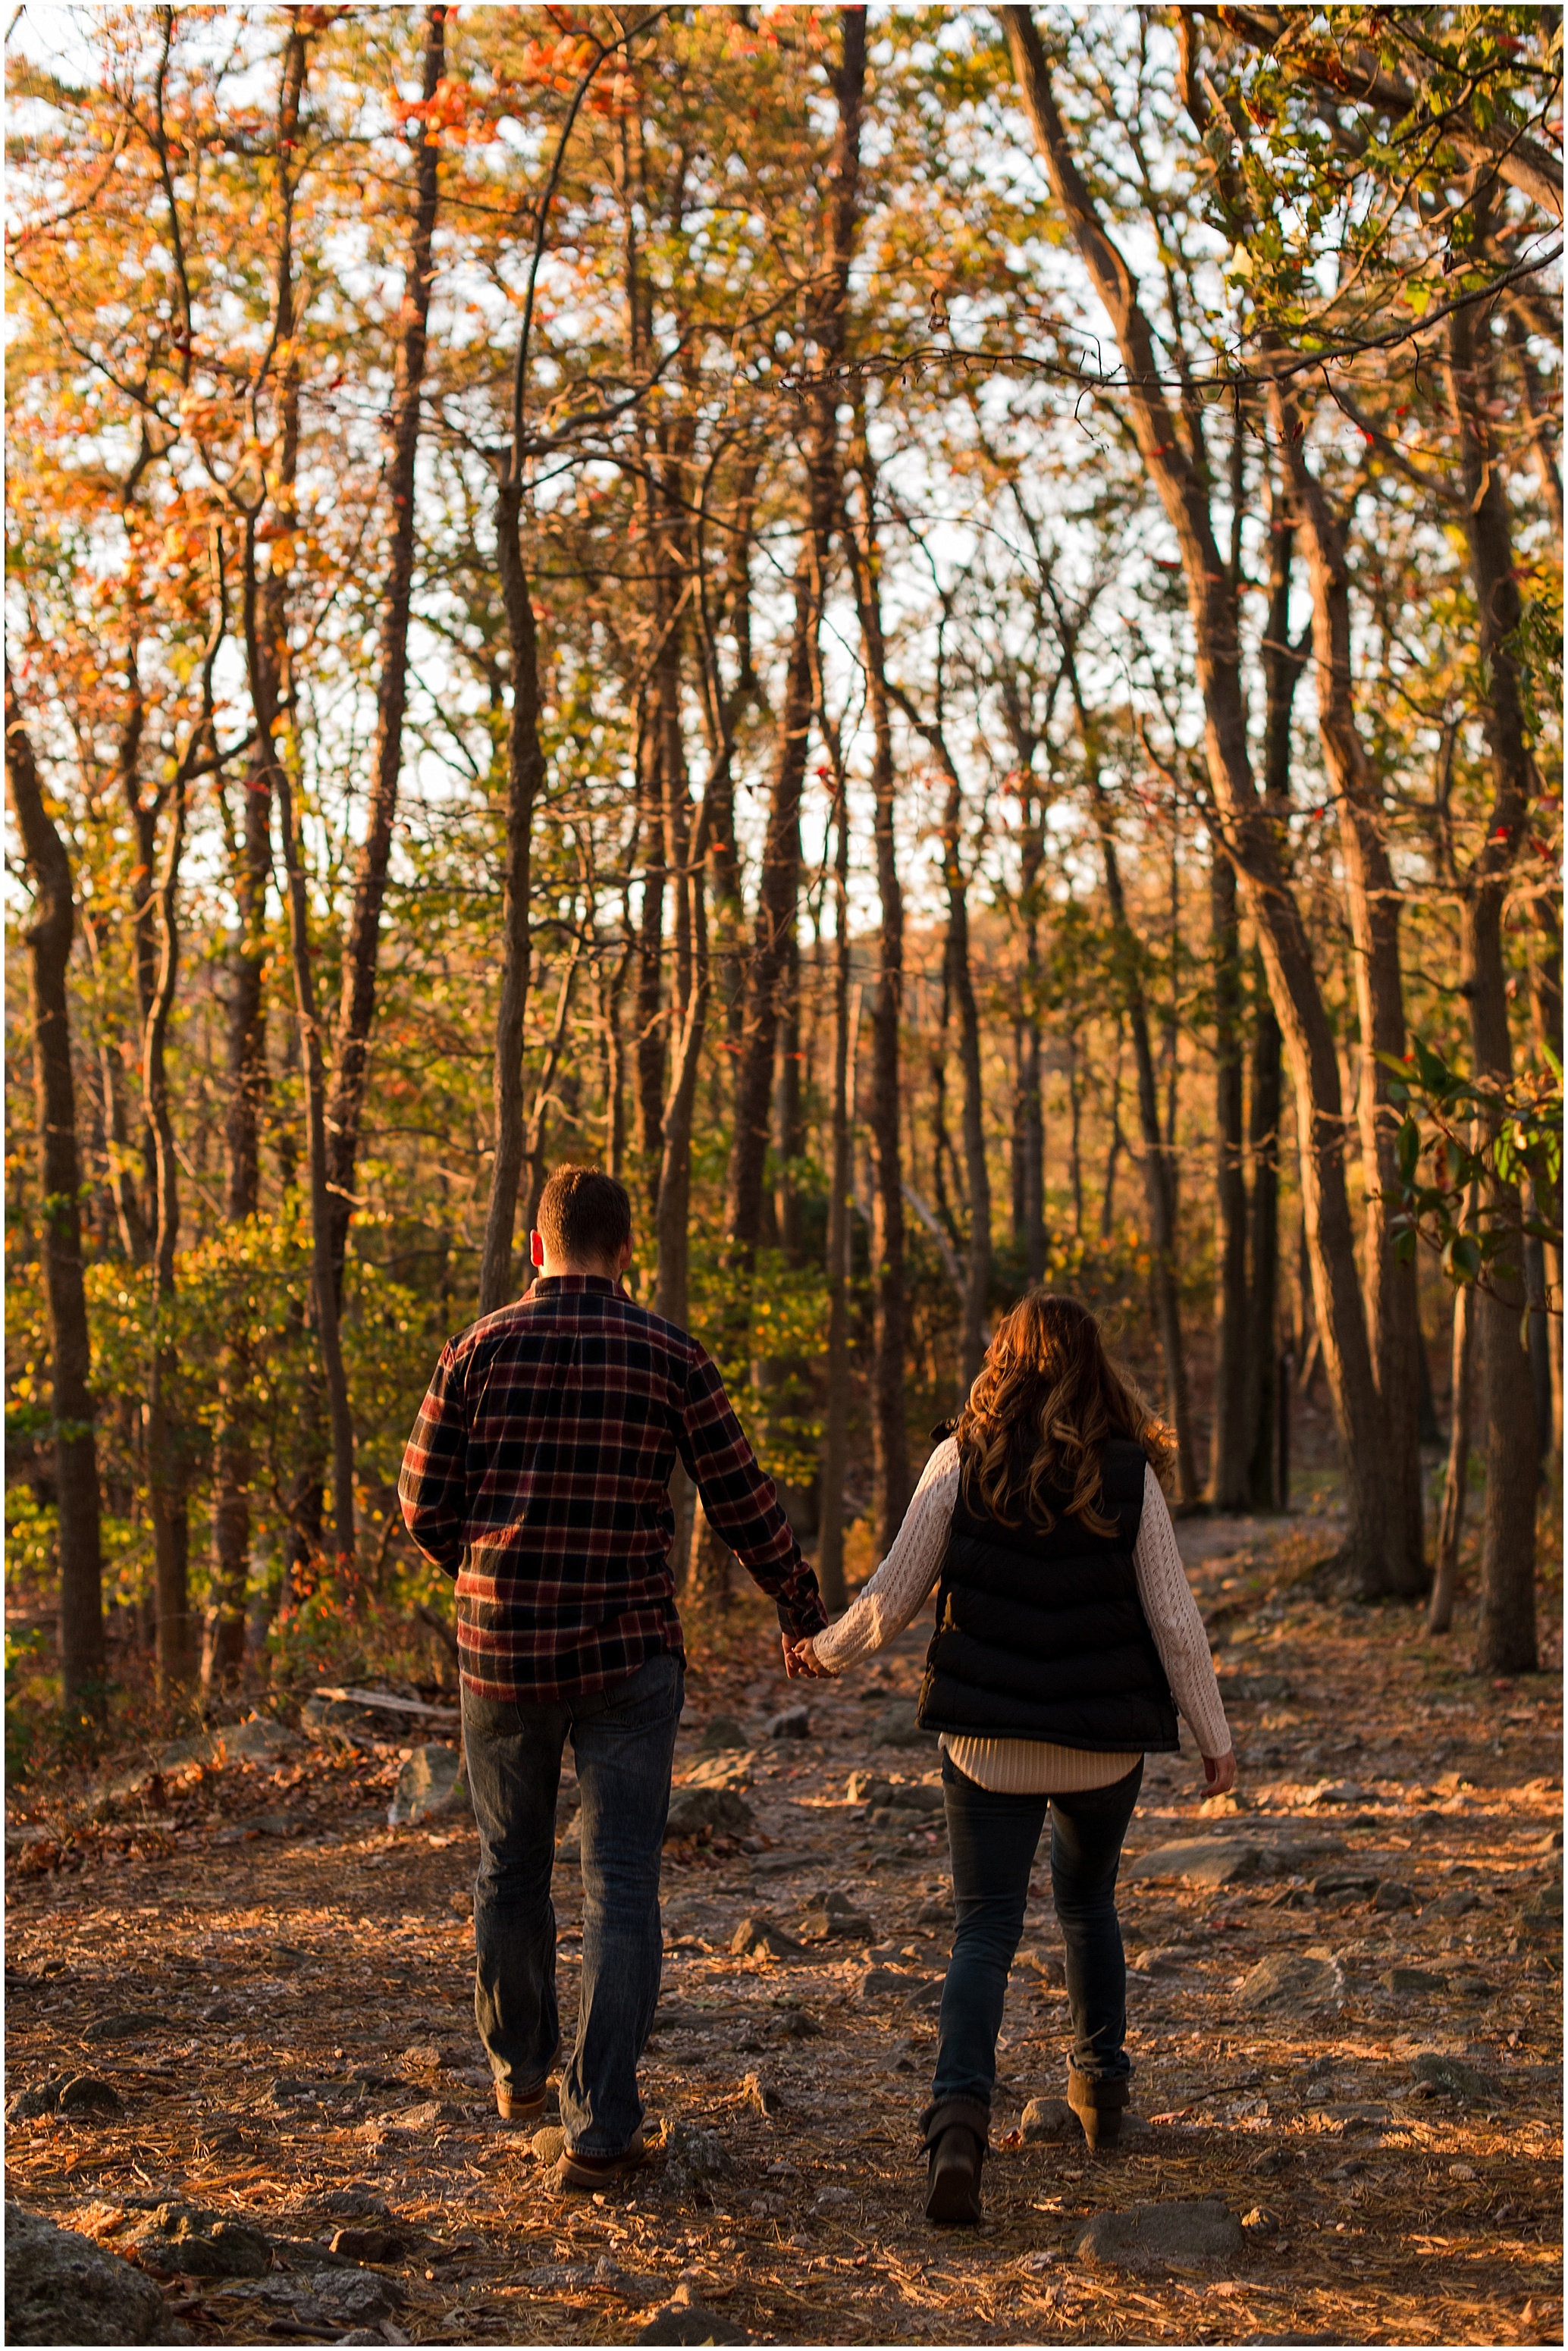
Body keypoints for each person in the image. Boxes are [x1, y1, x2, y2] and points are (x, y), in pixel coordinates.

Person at [398, 1164, 826, 2190]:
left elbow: (421, 1504)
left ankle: (519, 2074)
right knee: (623, 1883)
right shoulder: (670, 1353)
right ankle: (602, 2125)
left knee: (511, 1867)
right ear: (625, 1249)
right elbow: (741, 1497)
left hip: (502, 1653)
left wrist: (489, 1567)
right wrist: (801, 1607)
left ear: (536, 1247)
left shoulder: (477, 1350)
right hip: (630, 1652)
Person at [792, 1292, 1234, 2225]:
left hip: (986, 1747)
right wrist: (1214, 1738)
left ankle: (957, 2124)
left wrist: (823, 1650)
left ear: (1002, 1360)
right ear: (1094, 1368)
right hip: (1101, 1750)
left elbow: (892, 1595)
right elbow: (1175, 1624)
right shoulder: (1129, 1473)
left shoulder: (959, 1459)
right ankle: (1101, 2089)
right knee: (1087, 1905)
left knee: (983, 1928)